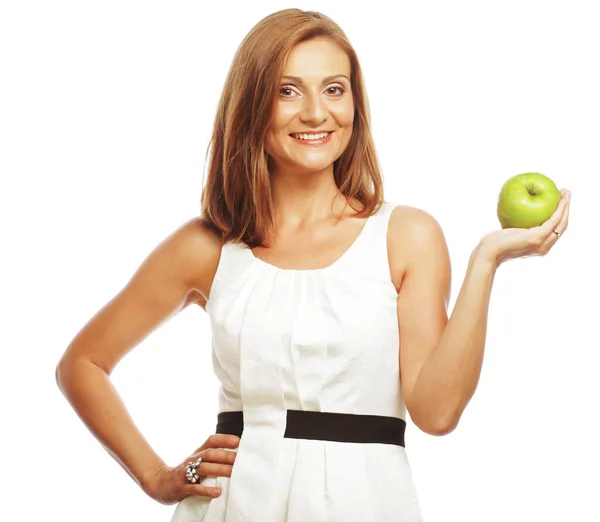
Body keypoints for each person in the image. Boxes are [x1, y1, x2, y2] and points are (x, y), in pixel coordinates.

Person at [55, 8, 571, 522]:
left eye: (334, 89)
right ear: (253, 105)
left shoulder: (405, 236)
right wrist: (161, 477)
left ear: (354, 103)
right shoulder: (208, 245)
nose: (316, 114)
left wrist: (487, 261)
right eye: (287, 91)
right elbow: (82, 364)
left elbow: (436, 413)